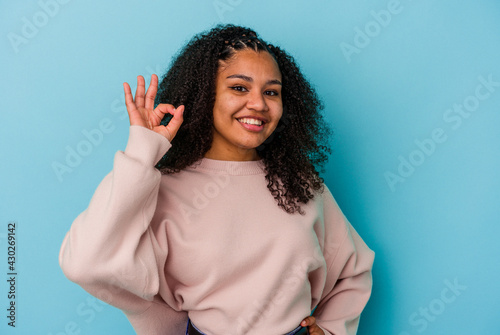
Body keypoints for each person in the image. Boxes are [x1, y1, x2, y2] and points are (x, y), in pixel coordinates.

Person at [59, 24, 375, 335]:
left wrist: (333, 330)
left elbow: (353, 269)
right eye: (239, 87)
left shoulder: (299, 183)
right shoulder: (163, 188)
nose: (259, 104)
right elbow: (86, 263)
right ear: (205, 94)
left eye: (271, 92)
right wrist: (143, 151)